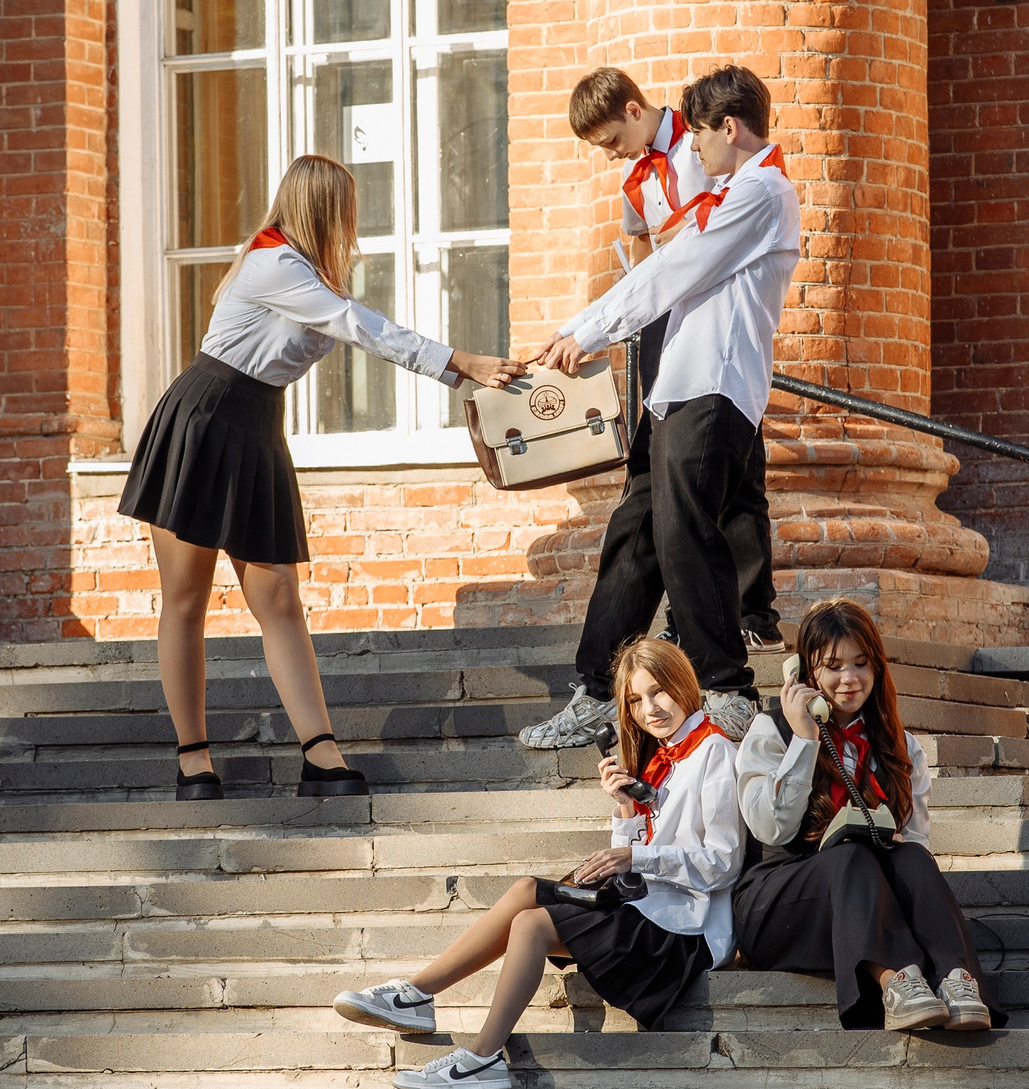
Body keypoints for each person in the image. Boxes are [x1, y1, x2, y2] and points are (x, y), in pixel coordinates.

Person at [118, 155, 526, 801]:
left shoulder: (307, 272)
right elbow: (364, 330)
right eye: (345, 208)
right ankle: (193, 758)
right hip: (205, 418)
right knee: (186, 598)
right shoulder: (273, 263)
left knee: (278, 596)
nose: (352, 222)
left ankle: (319, 750)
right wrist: (461, 363)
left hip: (255, 427)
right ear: (323, 208)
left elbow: (347, 321)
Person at [521, 66, 801, 751]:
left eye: (702, 138)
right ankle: (596, 687)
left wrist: (586, 331)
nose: (695, 155)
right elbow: (656, 269)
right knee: (634, 534)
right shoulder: (735, 189)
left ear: (728, 129)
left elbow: (675, 269)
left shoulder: (762, 192)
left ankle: (728, 688)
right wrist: (581, 328)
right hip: (677, 383)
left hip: (715, 385)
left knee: (684, 533)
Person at [332, 637, 744, 1089]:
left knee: (531, 925)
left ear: (684, 685)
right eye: (635, 699)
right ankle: (416, 995)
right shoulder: (660, 758)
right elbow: (639, 861)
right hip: (651, 908)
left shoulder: (714, 752)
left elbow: (724, 863)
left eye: (658, 692)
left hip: (684, 934)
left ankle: (482, 1059)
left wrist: (634, 854)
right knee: (528, 887)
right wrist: (626, 814)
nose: (650, 708)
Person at [569, 67, 781, 653]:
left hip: (718, 313)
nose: (612, 156)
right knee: (667, 475)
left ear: (635, 111)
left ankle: (750, 609)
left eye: (612, 141)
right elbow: (642, 248)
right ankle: (691, 609)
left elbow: (702, 243)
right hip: (663, 315)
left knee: (735, 471)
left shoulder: (705, 143)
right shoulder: (635, 182)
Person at [731, 599, 997, 1031]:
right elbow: (769, 826)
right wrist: (805, 740)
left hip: (863, 904)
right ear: (803, 672)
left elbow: (915, 845)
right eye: (833, 666)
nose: (849, 679)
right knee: (849, 857)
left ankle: (955, 979)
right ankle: (895, 982)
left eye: (861, 664)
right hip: (780, 905)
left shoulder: (900, 745)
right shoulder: (771, 732)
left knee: (910, 857)